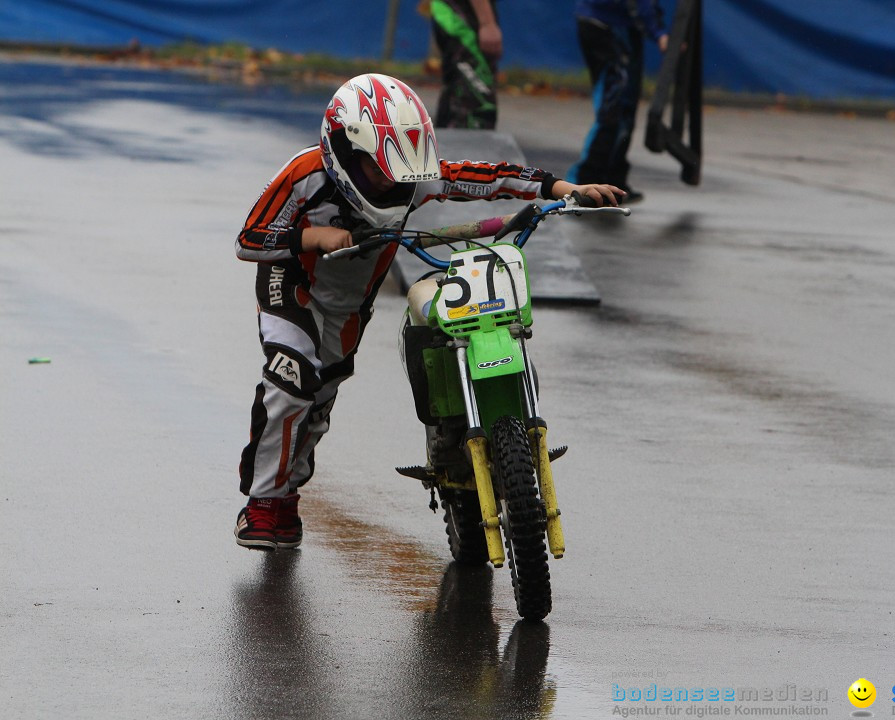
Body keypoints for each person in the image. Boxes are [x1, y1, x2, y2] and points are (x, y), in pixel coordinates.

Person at [233, 73, 623, 550]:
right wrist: (309, 238)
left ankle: (288, 492)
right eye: (380, 169)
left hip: (350, 304)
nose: (394, 180)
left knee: (316, 406)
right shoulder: (304, 176)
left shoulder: (412, 180)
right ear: (344, 150)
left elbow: (485, 176)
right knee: (291, 380)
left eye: (403, 167)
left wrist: (563, 186)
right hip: (292, 284)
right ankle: (262, 505)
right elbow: (249, 240)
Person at [567, 0, 668, 203]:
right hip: (606, 26)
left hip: (613, 23)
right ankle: (584, 182)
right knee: (613, 106)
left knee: (623, 106)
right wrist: (658, 32)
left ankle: (613, 181)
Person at [430, 0, 501, 129]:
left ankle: (444, 143)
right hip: (460, 17)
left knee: (456, 94)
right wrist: (487, 23)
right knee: (474, 105)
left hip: (453, 14)